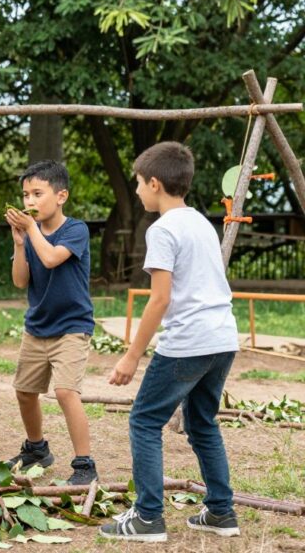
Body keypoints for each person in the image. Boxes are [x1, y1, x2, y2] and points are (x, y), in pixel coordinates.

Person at [101, 142, 240, 542]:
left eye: (140, 184)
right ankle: (221, 512)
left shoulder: (161, 229)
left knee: (144, 420)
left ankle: (147, 518)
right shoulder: (200, 222)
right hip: (222, 338)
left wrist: (130, 357)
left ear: (156, 183)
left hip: (188, 342)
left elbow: (159, 299)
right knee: (201, 422)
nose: (138, 190)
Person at [4, 159, 97, 485]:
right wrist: (19, 243)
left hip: (72, 326)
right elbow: (20, 280)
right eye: (26, 195)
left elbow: (52, 257)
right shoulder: (30, 235)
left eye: (37, 193)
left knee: (65, 391)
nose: (29, 201)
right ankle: (36, 449)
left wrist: (30, 231)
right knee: (25, 392)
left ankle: (84, 465)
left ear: (61, 196)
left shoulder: (76, 229)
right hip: (37, 326)